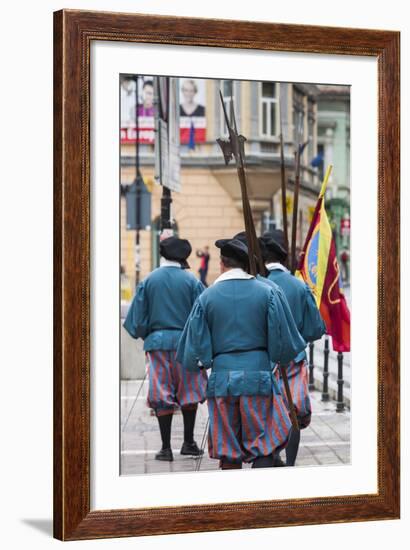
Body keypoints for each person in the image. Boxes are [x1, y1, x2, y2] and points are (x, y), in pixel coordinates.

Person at [177, 238, 306, 469]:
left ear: (222, 263)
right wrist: (278, 359)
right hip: (259, 376)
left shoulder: (206, 297)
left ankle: (234, 500)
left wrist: (203, 364)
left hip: (222, 378)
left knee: (228, 448)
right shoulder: (267, 293)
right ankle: (260, 498)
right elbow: (282, 343)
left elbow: (194, 349)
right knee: (265, 443)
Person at [123, 236, 207, 461]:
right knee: (189, 390)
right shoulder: (192, 282)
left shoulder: (149, 281)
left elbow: (136, 320)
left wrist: (148, 334)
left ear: (162, 254)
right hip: (186, 343)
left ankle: (165, 448)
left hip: (158, 344)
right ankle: (188, 442)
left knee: (161, 391)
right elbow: (202, 317)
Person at [260, 229, 326, 466]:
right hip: (295, 360)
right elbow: (316, 329)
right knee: (294, 412)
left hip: (264, 359)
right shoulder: (298, 286)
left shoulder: (259, 284)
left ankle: (273, 455)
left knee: (269, 410)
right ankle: (290, 463)